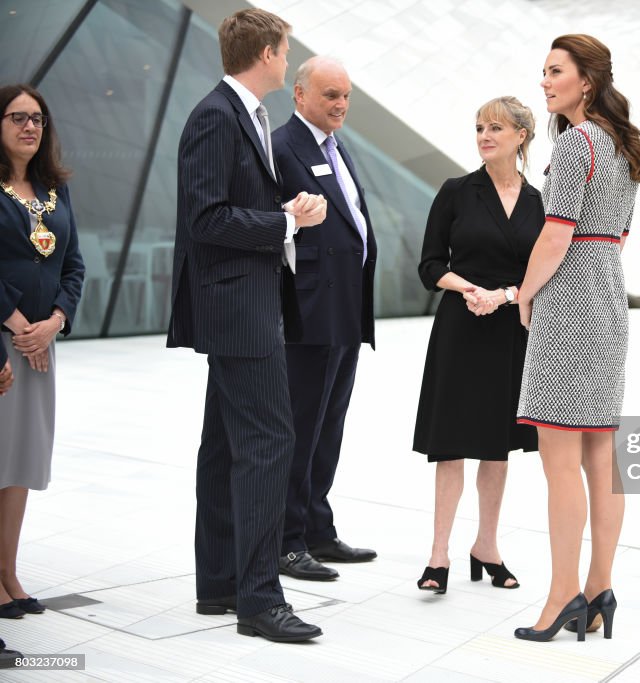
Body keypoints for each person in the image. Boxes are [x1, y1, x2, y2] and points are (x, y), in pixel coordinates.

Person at [166, 8, 327, 643]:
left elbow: (230, 208)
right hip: (238, 308)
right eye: (285, 52)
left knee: (228, 447)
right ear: (265, 53)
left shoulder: (241, 115)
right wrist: (286, 225)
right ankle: (259, 600)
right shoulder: (216, 115)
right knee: (267, 445)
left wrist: (281, 211)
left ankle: (222, 585)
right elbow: (206, 219)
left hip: (243, 302)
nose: (288, 63)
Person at [513, 35, 640, 642]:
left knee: (559, 461)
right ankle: (599, 589)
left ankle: (562, 594)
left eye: (555, 72)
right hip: (609, 296)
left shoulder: (575, 144)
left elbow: (554, 236)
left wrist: (524, 293)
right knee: (600, 457)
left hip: (569, 300)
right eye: (543, 72)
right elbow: (613, 235)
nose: (544, 82)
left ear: (585, 81)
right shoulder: (620, 145)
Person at [413, 96, 542, 596]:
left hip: (511, 330)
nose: (485, 136)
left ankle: (487, 546)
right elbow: (429, 264)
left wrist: (504, 295)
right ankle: (438, 554)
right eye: (479, 128)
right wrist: (468, 289)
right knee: (451, 445)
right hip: (461, 329)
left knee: (497, 446)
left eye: (496, 128)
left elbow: (542, 272)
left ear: (521, 137)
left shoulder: (539, 201)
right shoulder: (456, 191)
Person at [271, 56, 378, 583]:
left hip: (345, 311)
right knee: (301, 425)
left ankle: (317, 527)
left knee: (328, 425)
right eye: (330, 94)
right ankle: (287, 540)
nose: (340, 105)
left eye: (345, 96)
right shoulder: (284, 146)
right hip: (308, 311)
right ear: (300, 94)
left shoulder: (335, 148)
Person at [0, 84, 84, 620]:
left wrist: (53, 322)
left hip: (40, 345)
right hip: (5, 342)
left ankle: (7, 572)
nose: (30, 126)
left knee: (21, 463)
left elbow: (72, 264)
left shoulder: (55, 188)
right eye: (17, 117)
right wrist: (18, 325)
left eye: (38, 118)